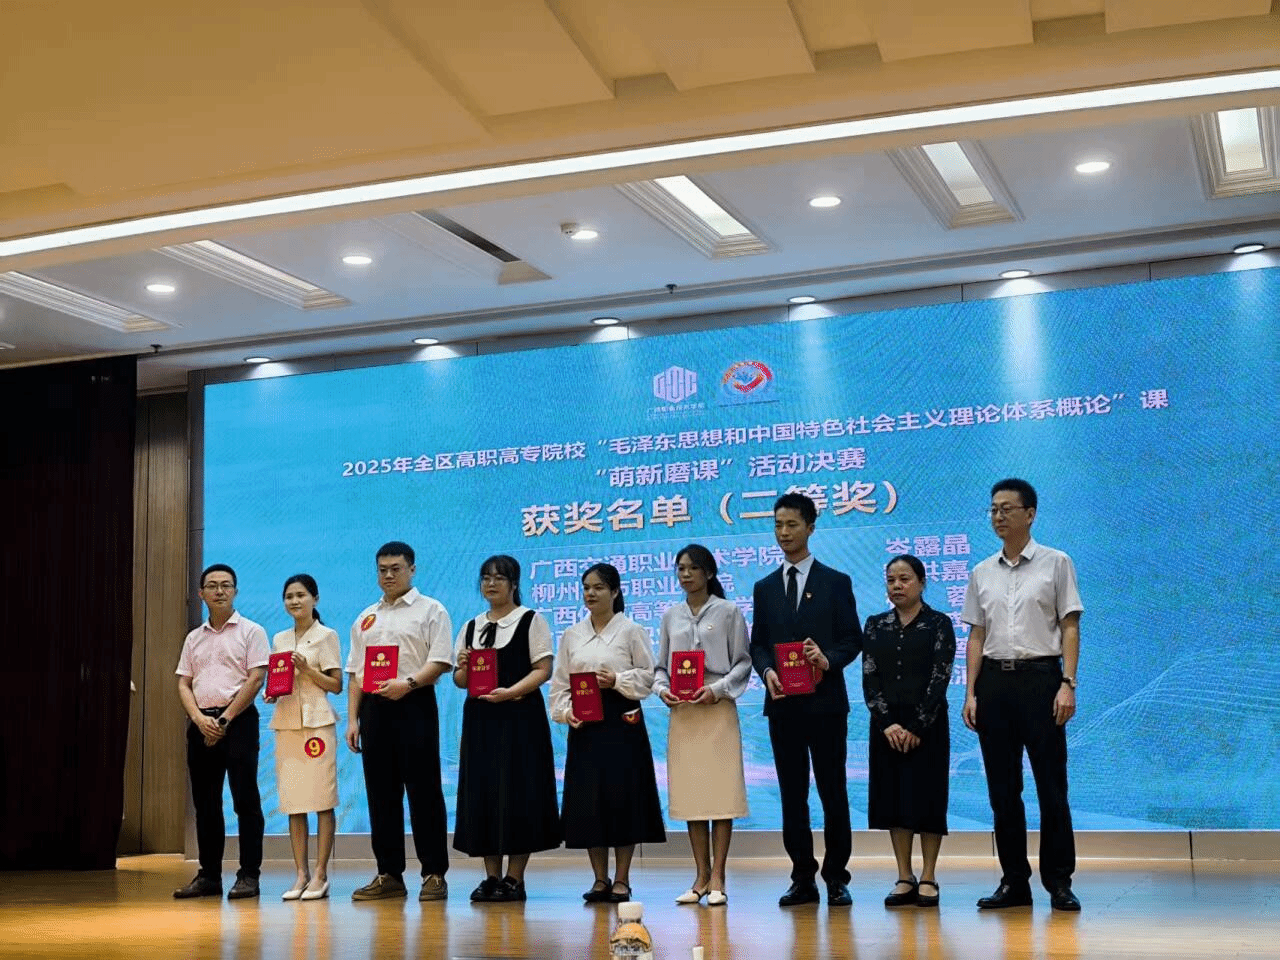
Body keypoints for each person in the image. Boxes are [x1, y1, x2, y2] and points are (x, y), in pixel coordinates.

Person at [961, 478, 1083, 912]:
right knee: (1002, 790)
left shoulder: (1056, 563)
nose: (998, 516)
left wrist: (1068, 682)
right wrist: (971, 692)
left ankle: (1059, 881)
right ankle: (1014, 881)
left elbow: (1070, 626)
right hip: (994, 683)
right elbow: (977, 636)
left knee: (1052, 787)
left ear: (1030, 514)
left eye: (1007, 508)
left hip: (1041, 680)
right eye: (993, 509)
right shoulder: (981, 571)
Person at [748, 492, 862, 907]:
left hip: (826, 704)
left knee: (833, 792)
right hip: (783, 706)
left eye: (792, 524)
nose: (783, 532)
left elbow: (852, 639)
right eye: (778, 525)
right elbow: (758, 644)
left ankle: (836, 877)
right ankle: (802, 877)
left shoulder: (835, 582)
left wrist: (826, 660)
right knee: (792, 794)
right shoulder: (764, 587)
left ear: (811, 527)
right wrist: (767, 672)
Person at [550, 562, 665, 903]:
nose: (591, 593)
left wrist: (617, 679)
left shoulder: (631, 630)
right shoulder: (572, 634)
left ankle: (623, 879)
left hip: (622, 720)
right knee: (590, 800)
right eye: (586, 587)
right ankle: (600, 878)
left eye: (598, 587)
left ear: (615, 591)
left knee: (623, 798)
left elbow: (648, 676)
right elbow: (560, 683)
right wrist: (567, 713)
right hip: (585, 724)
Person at [345, 541, 454, 902]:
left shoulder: (431, 610)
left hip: (414, 702)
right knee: (381, 794)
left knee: (424, 791)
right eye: (382, 569)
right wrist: (352, 720)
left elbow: (440, 661)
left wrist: (407, 684)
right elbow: (355, 672)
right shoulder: (366, 616)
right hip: (374, 709)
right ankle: (389, 874)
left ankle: (434, 873)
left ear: (412, 569)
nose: (388, 575)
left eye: (396, 568)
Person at [451, 555, 562, 902]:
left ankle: (515, 878)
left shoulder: (531, 620)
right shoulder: (471, 626)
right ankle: (491, 877)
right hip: (481, 721)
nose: (491, 584)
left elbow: (543, 669)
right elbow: (460, 680)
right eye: (486, 578)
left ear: (514, 584)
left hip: (520, 718)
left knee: (519, 793)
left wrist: (512, 692)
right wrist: (463, 666)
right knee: (484, 793)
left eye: (499, 578)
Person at [654, 544, 751, 906]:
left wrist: (717, 689)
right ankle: (699, 876)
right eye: (680, 568)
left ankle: (719, 877)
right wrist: (662, 689)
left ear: (709, 573)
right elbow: (660, 667)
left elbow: (742, 663)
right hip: (684, 712)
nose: (685, 574)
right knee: (692, 797)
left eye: (693, 568)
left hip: (717, 709)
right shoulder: (671, 616)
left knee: (721, 796)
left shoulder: (728, 611)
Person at [862, 555, 956, 908]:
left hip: (927, 726)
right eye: (891, 580)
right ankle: (904, 875)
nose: (897, 586)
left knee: (928, 798)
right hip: (886, 727)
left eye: (904, 579)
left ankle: (929, 875)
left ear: (921, 582)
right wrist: (887, 723)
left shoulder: (939, 623)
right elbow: (870, 677)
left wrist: (917, 725)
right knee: (894, 800)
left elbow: (940, 677)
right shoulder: (876, 625)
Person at [173, 563, 269, 900]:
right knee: (206, 804)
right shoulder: (193, 638)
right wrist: (199, 719)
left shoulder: (252, 631)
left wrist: (225, 720)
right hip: (201, 724)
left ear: (235, 591)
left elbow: (256, 679)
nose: (219, 591)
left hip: (238, 723)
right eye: (212, 586)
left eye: (226, 585)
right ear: (201, 594)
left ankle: (249, 875)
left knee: (246, 801)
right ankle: (210, 876)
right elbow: (183, 683)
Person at [264, 574, 342, 901]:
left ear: (315, 599)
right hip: (287, 723)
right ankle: (301, 873)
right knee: (294, 802)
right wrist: (272, 692)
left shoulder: (327, 635)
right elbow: (279, 680)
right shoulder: (279, 638)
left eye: (301, 595)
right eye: (289, 596)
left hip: (317, 724)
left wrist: (308, 670)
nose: (294, 601)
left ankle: (321, 874)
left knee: (322, 800)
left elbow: (336, 685)